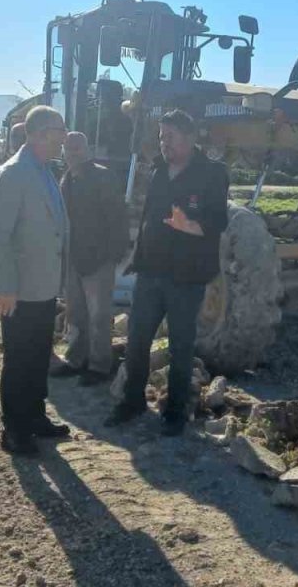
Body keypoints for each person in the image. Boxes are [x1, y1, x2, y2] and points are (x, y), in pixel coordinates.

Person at [106, 110, 228, 436]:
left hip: (186, 279)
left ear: (190, 138)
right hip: (151, 273)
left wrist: (190, 225)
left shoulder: (213, 174)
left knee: (181, 347)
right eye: (161, 137)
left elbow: (219, 221)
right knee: (137, 341)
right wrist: (138, 256)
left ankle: (175, 413)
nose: (164, 144)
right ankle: (132, 402)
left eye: (170, 137)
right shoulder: (160, 172)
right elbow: (148, 218)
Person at [0, 106, 71, 456]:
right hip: (19, 290)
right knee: (19, 359)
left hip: (43, 286)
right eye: (59, 133)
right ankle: (15, 430)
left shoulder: (44, 171)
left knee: (38, 356)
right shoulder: (14, 174)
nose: (63, 140)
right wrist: (5, 286)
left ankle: (35, 417)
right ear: (38, 134)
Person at [50, 132, 128, 386]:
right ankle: (75, 359)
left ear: (87, 150)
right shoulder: (66, 180)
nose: (72, 152)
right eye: (68, 148)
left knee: (99, 316)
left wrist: (114, 254)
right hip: (75, 258)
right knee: (76, 313)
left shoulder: (103, 177)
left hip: (98, 258)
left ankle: (99, 366)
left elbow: (117, 216)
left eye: (77, 148)